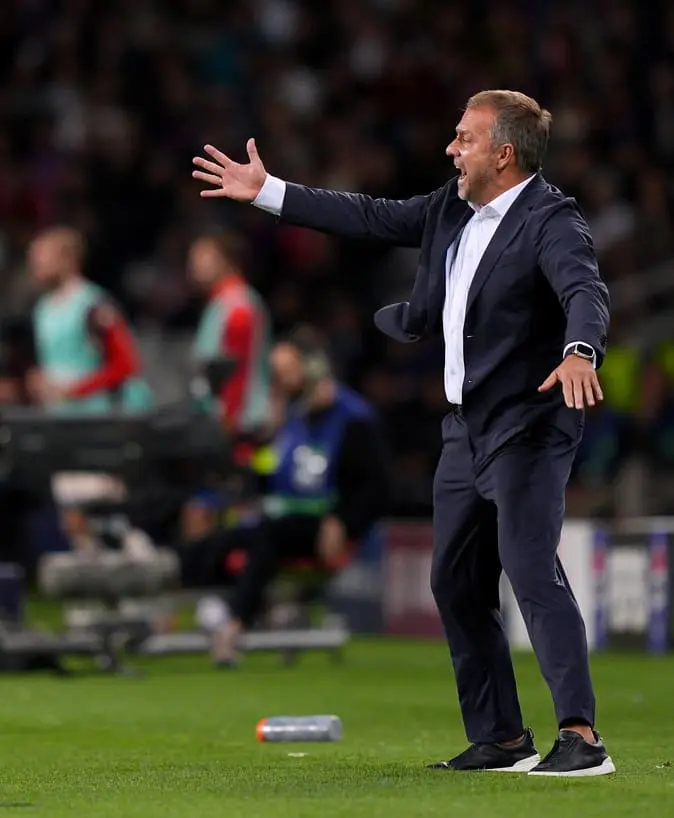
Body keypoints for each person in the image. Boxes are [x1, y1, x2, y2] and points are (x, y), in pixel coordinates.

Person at [192, 89, 615, 776]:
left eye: (464, 138)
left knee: (530, 566)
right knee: (453, 582)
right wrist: (268, 191)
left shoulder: (551, 220)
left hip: (528, 423)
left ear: (503, 154)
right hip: (465, 429)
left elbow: (584, 292)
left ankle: (582, 736)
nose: (452, 149)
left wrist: (581, 350)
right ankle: (503, 738)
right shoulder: (452, 206)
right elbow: (368, 216)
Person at [194, 326, 392, 665]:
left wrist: (343, 522)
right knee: (221, 537)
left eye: (287, 372)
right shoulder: (293, 417)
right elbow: (271, 473)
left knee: (266, 534)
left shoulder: (354, 419)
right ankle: (206, 603)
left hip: (325, 524)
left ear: (313, 369)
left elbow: (377, 487)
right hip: (283, 517)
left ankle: (234, 624)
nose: (280, 381)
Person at [26, 226, 153, 416]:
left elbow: (126, 363)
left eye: (42, 255)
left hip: (94, 414)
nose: (35, 262)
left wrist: (77, 390)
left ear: (67, 259)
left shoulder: (93, 305)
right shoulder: (41, 309)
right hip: (57, 414)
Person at [187, 230, 273, 460]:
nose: (193, 264)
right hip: (220, 423)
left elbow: (237, 374)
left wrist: (228, 426)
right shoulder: (220, 302)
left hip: (236, 430)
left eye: (203, 256)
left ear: (227, 260)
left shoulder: (237, 307)